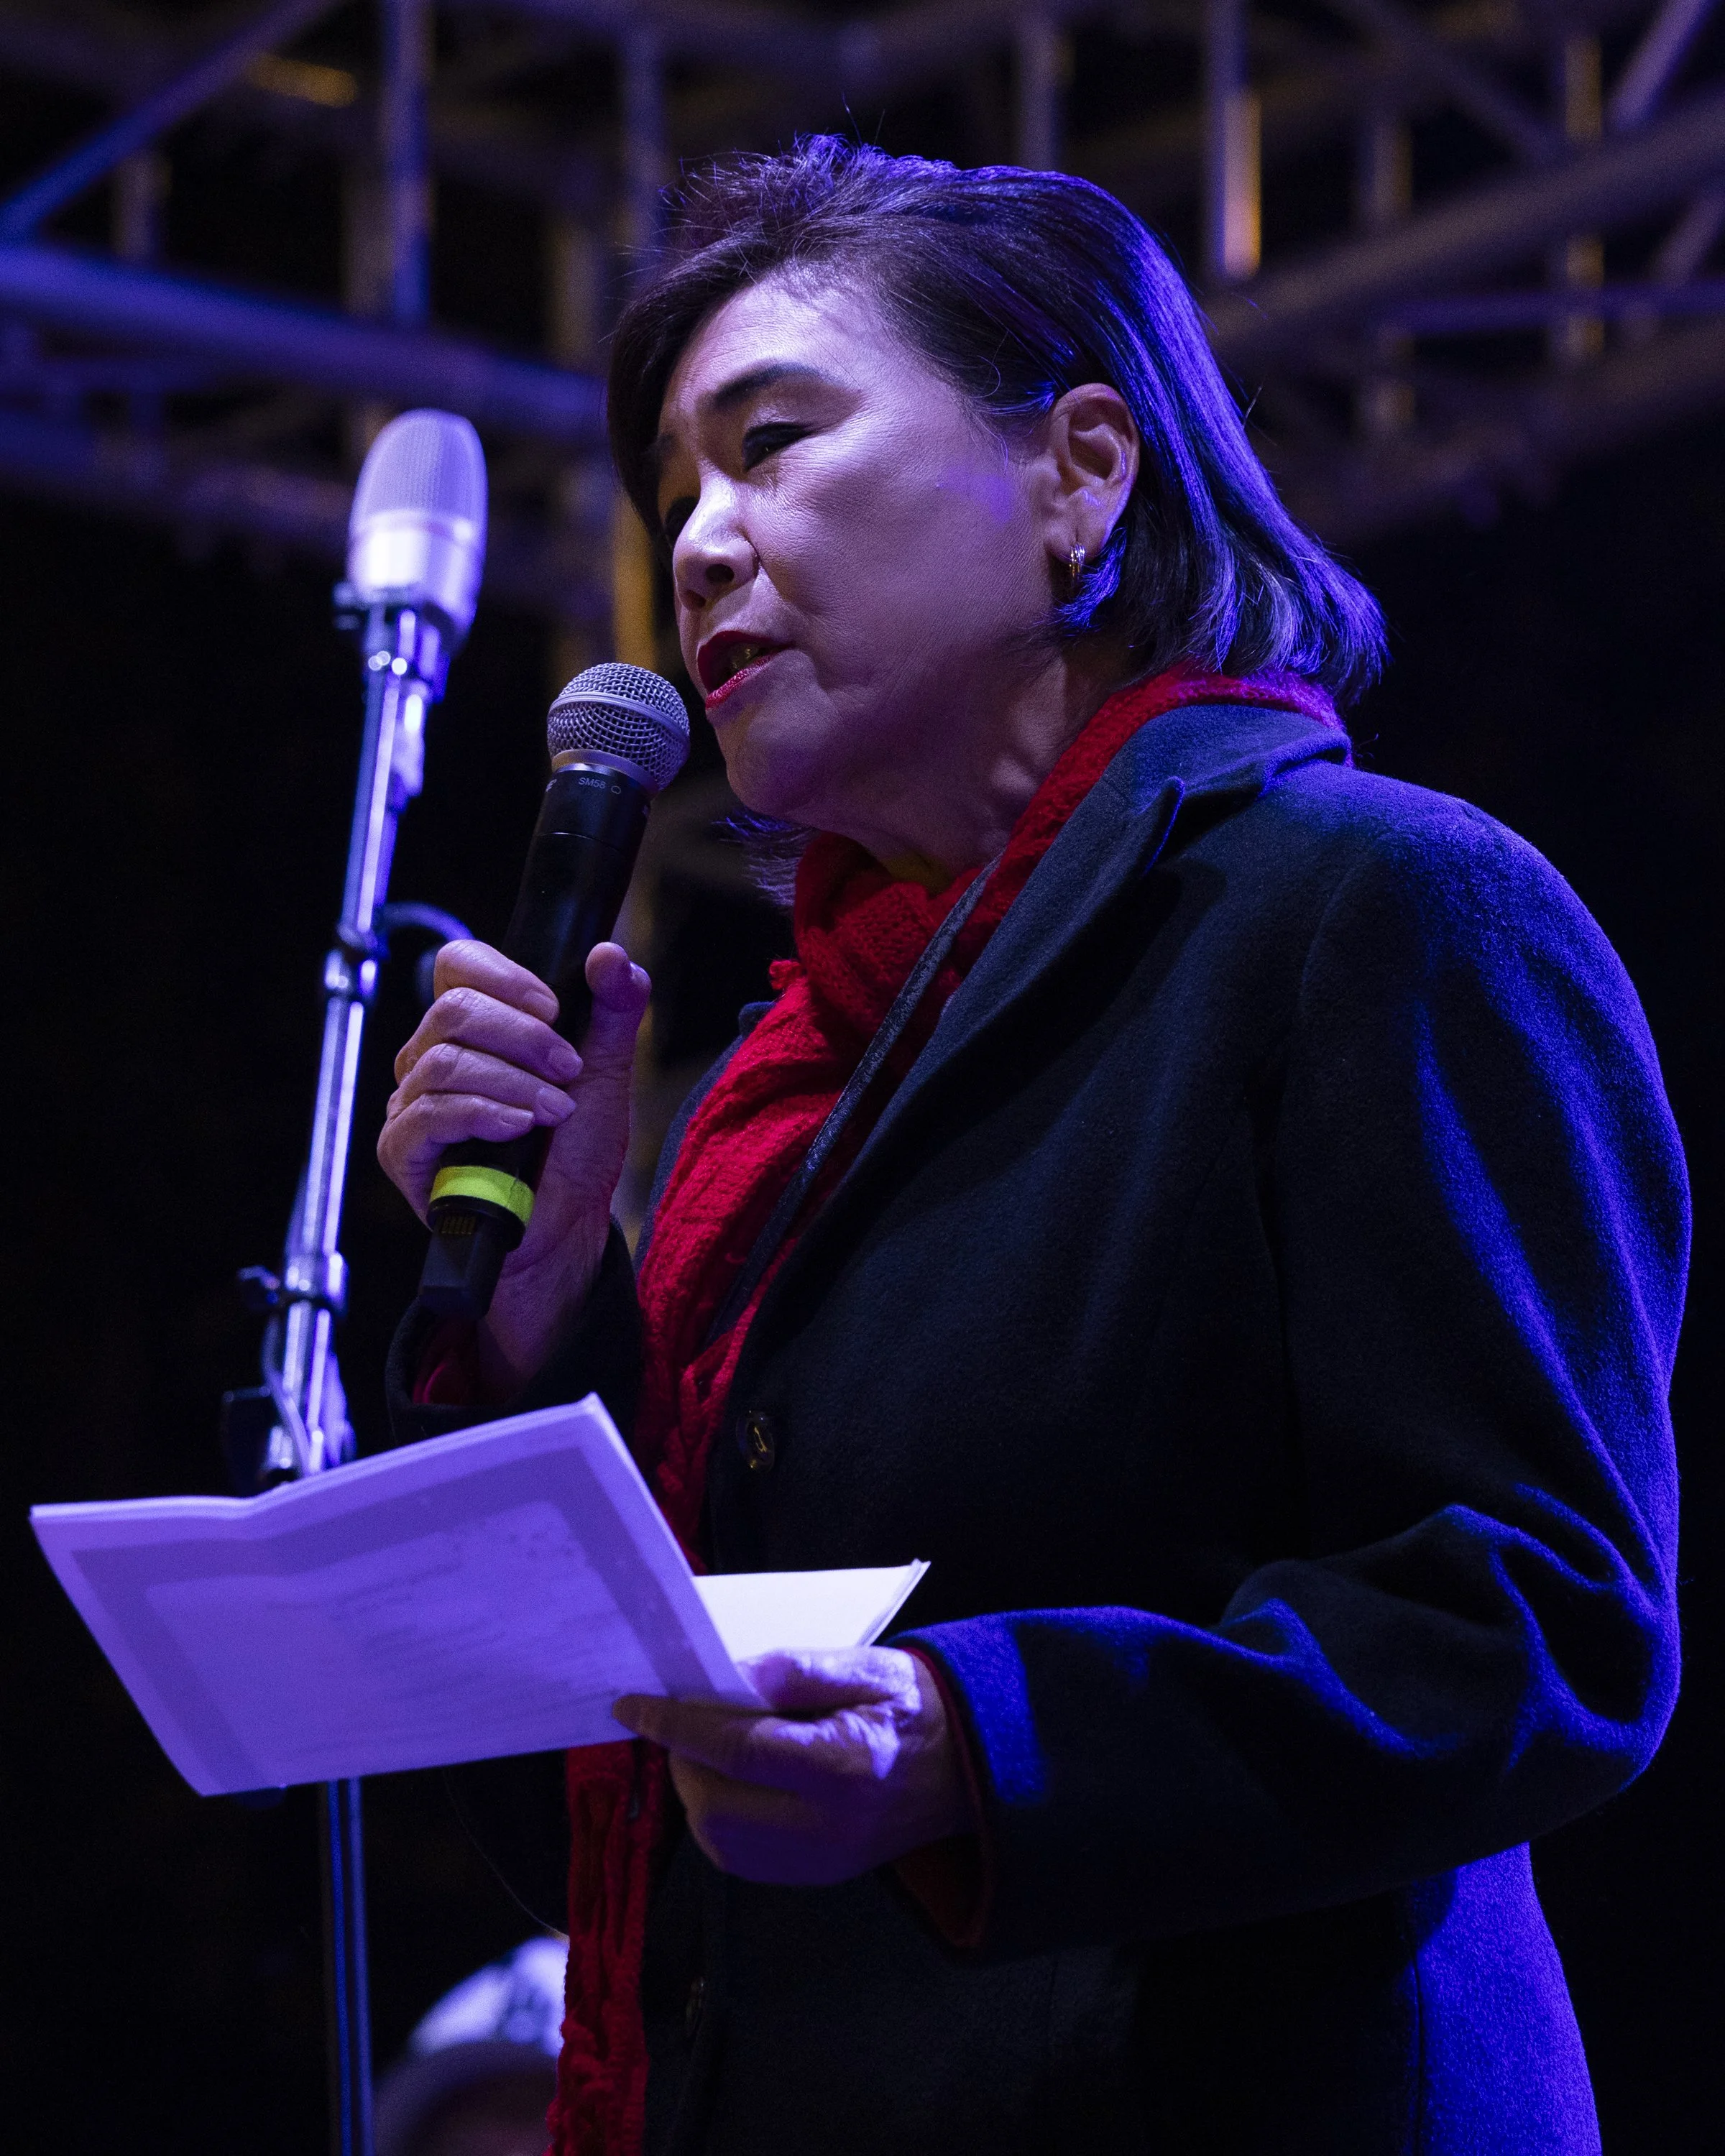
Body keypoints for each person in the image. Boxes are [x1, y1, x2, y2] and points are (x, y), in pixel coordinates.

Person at [379, 140, 1686, 2156]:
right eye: (674, 497)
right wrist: (551, 1317)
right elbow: (613, 1845)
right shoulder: (784, 1097)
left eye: (773, 444)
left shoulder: (1375, 913)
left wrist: (968, 1743)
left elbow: (1534, 1622)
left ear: (1081, 471)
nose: (701, 546)